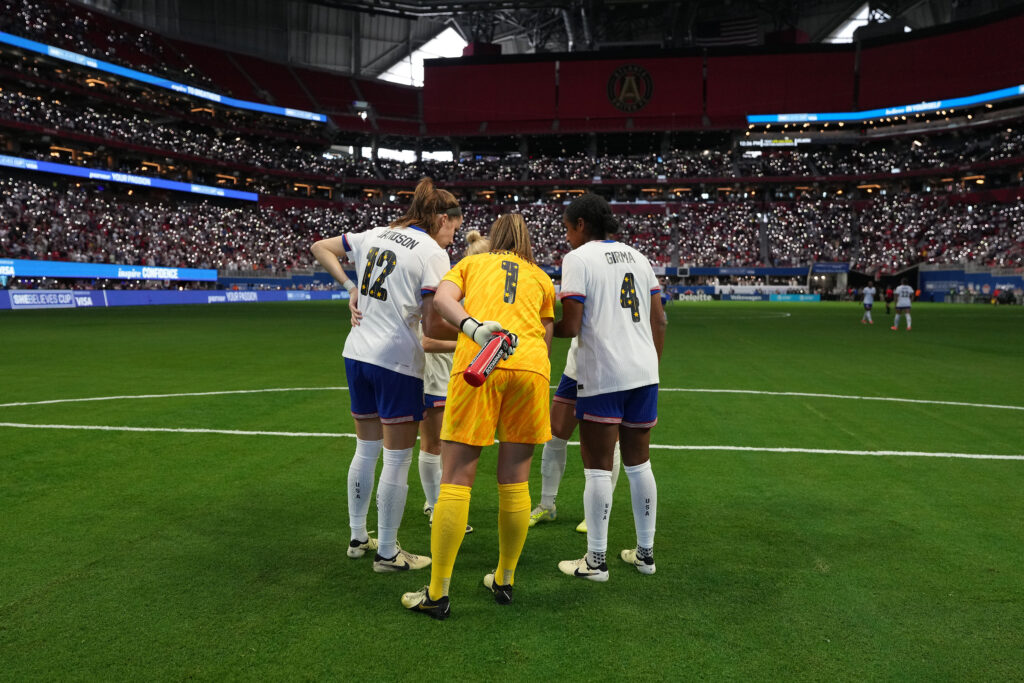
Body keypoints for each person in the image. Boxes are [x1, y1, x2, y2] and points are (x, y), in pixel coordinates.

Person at [402, 213, 555, 619]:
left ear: (493, 238)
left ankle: (438, 594)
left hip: (480, 363)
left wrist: (472, 327)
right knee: (516, 479)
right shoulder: (541, 278)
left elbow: (441, 302)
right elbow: (547, 337)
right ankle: (504, 579)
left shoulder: (471, 263)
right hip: (531, 368)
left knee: (456, 478)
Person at [310, 177, 462, 573]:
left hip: (356, 352)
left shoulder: (376, 233)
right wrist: (471, 332)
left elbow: (319, 247)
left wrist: (349, 286)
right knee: (397, 459)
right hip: (396, 361)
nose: (452, 240)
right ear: (441, 219)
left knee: (365, 451)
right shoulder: (431, 252)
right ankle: (388, 553)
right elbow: (431, 324)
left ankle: (359, 537)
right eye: (453, 231)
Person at [553, 193, 666, 582]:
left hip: (602, 372)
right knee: (639, 464)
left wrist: (536, 324)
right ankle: (645, 555)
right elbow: (660, 321)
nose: (566, 236)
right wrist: (651, 366)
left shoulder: (578, 259)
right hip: (643, 372)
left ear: (581, 225)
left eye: (568, 228)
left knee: (598, 468)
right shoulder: (639, 257)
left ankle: (596, 562)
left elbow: (570, 326)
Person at [418, 230, 492, 535]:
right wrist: (466, 343)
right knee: (434, 443)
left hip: (458, 372)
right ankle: (437, 507)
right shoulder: (450, 288)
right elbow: (426, 339)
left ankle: (437, 501)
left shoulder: (479, 291)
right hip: (436, 372)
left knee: (450, 443)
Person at [529, 338, 622, 533]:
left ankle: (597, 512)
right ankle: (547, 506)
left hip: (610, 367)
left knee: (606, 441)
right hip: (577, 365)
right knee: (555, 435)